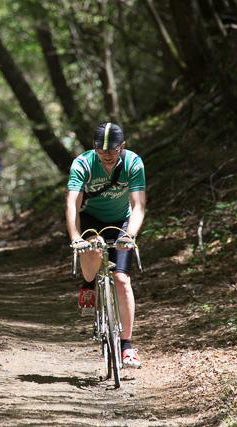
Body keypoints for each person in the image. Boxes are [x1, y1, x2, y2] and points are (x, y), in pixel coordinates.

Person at [65, 122, 146, 369]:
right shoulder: (82, 164)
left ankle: (127, 347)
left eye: (113, 150)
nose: (108, 156)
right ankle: (88, 283)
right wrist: (76, 237)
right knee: (94, 249)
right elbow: (72, 204)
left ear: (123, 146)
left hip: (122, 221)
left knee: (122, 280)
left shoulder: (133, 163)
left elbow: (138, 205)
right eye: (102, 151)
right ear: (94, 148)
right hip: (91, 219)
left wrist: (129, 235)